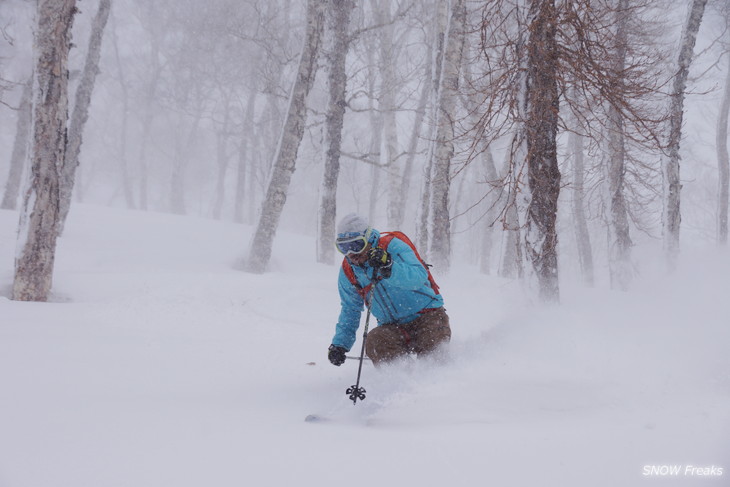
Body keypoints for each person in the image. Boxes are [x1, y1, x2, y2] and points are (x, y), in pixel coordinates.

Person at [328, 213, 451, 366]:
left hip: (427, 316)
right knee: (375, 341)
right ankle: (399, 381)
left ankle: (434, 383)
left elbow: (418, 277)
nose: (351, 253)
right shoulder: (349, 271)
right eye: (343, 247)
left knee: (433, 362)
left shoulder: (392, 246)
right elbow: (350, 309)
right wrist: (340, 344)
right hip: (392, 328)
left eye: (356, 245)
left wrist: (390, 267)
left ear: (368, 238)